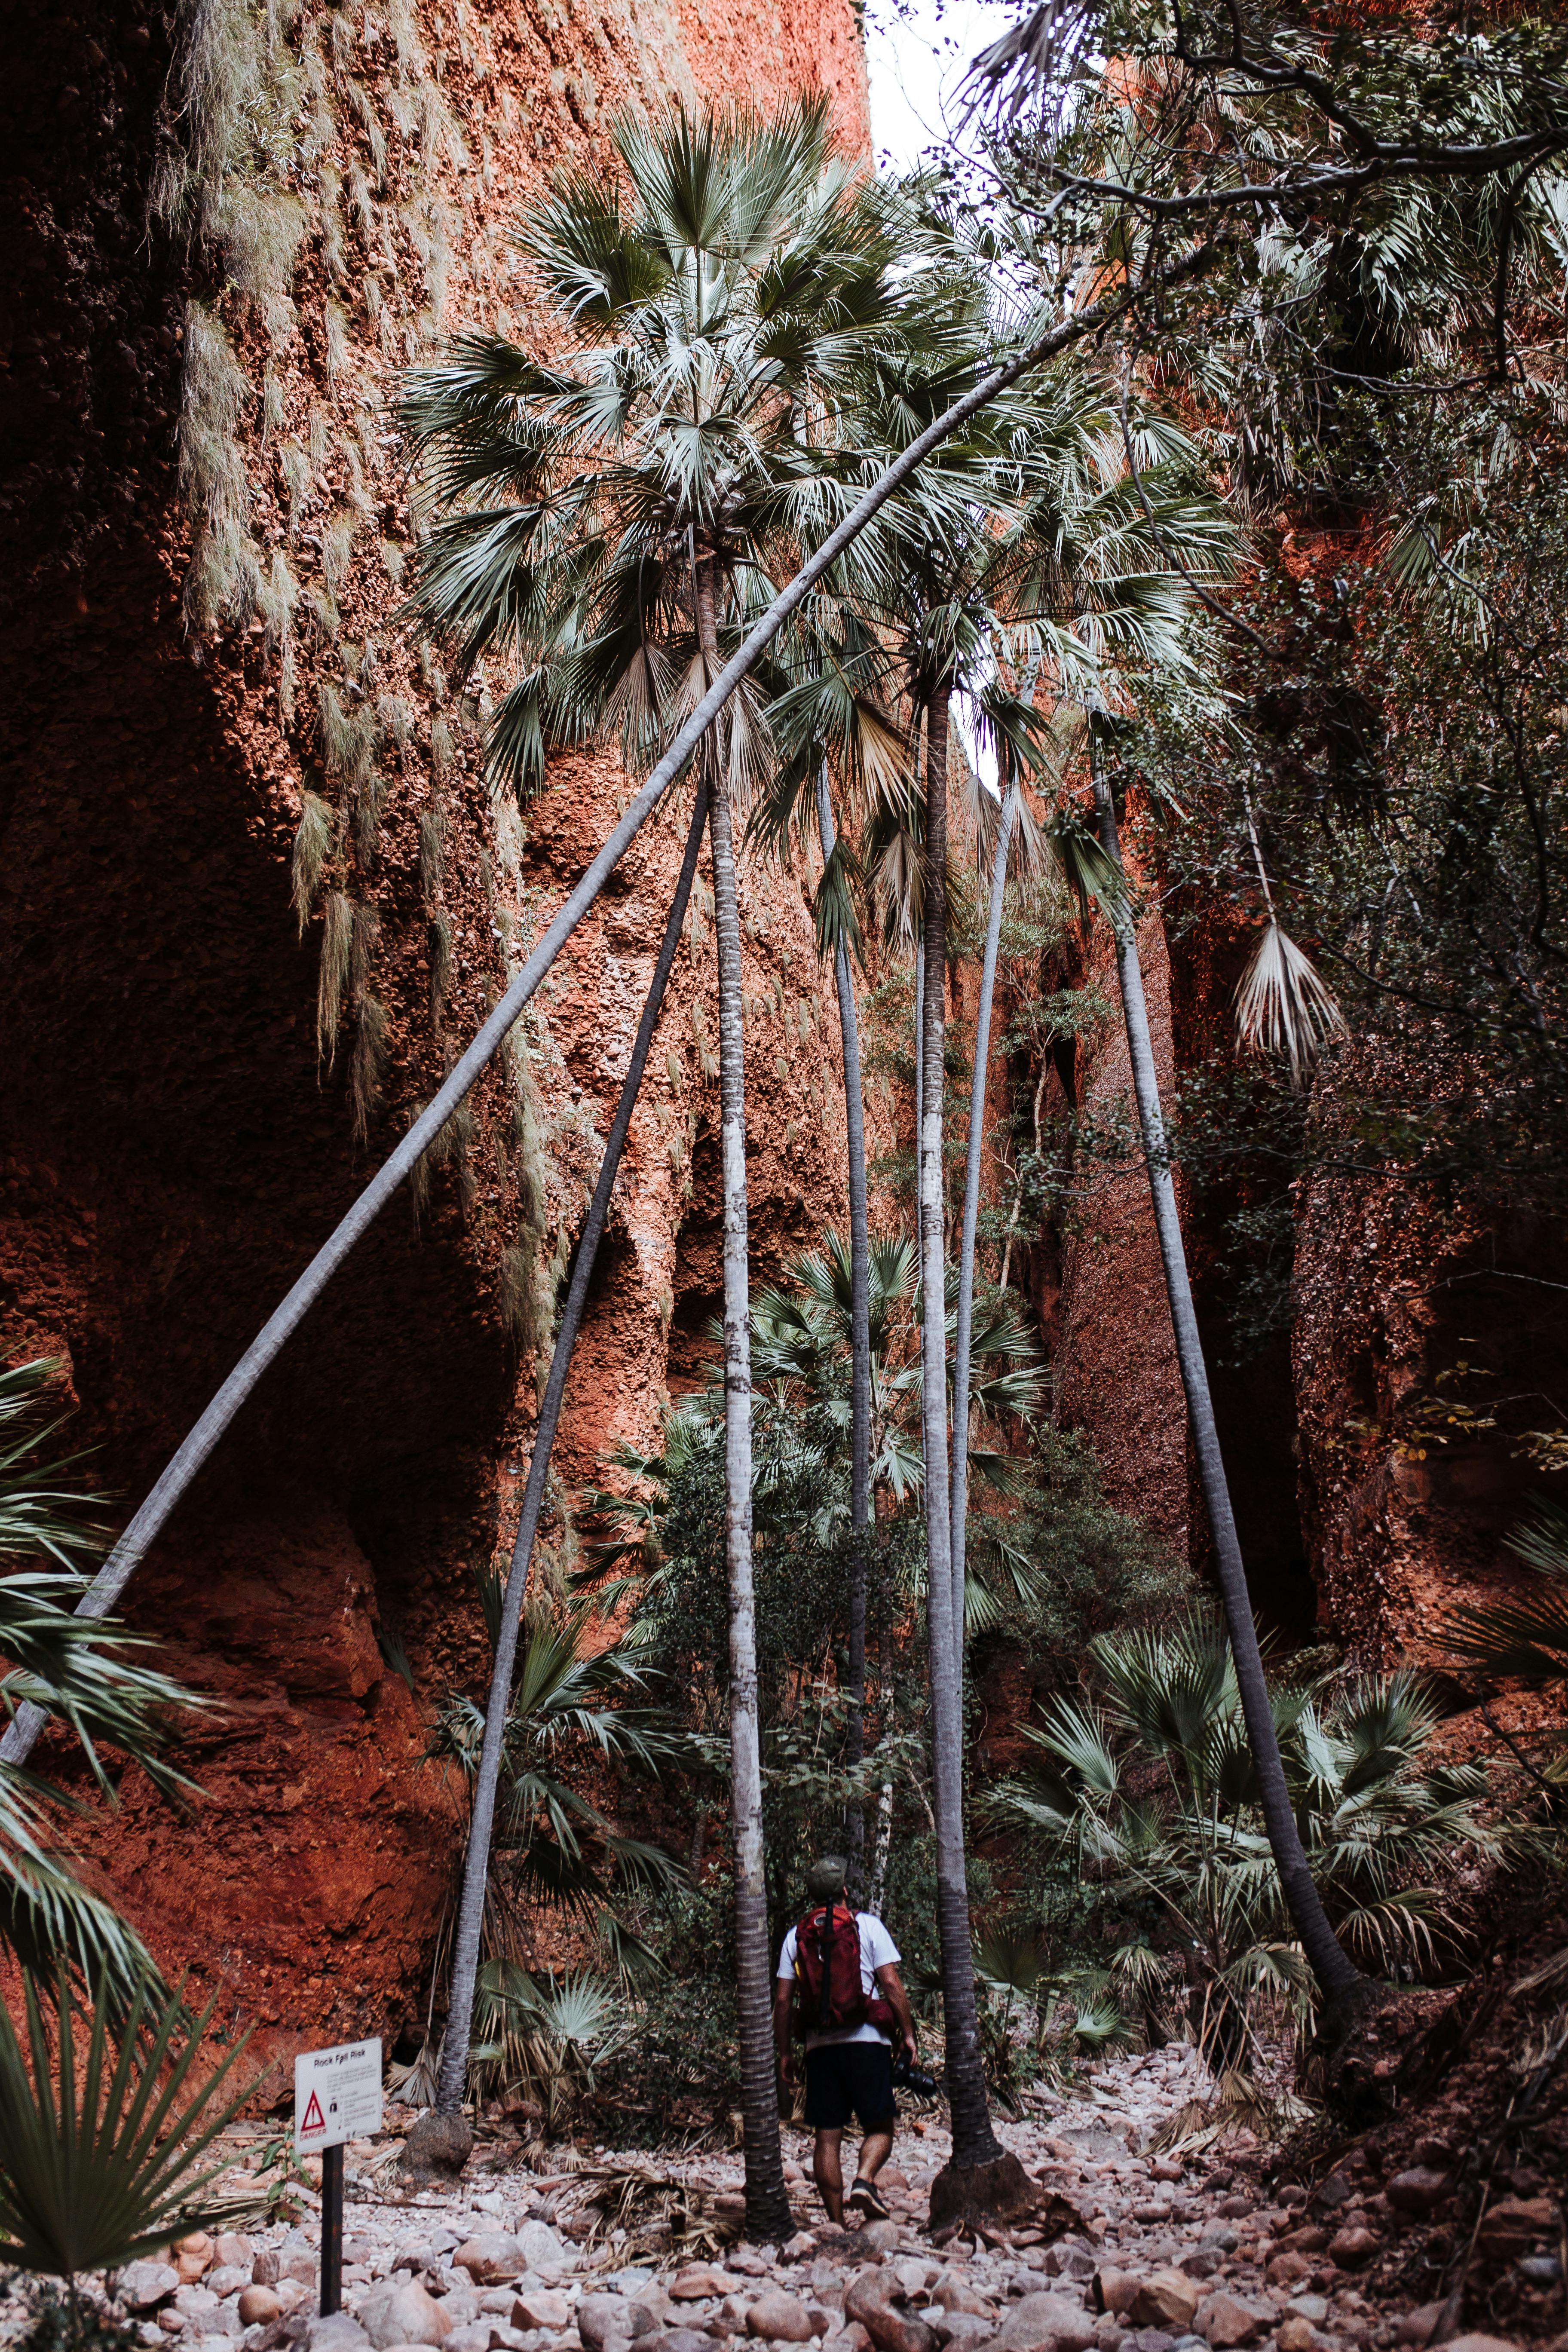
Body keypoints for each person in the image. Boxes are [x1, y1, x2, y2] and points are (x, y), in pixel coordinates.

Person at [773, 1856, 919, 2226]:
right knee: (881, 2127)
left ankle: (837, 2224)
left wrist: (786, 2053)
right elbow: (890, 1983)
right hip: (867, 2041)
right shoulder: (866, 1926)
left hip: (819, 2049)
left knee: (827, 2137)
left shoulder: (796, 1937)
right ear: (844, 1891)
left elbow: (782, 2000)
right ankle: (865, 2180)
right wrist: (908, 2034)